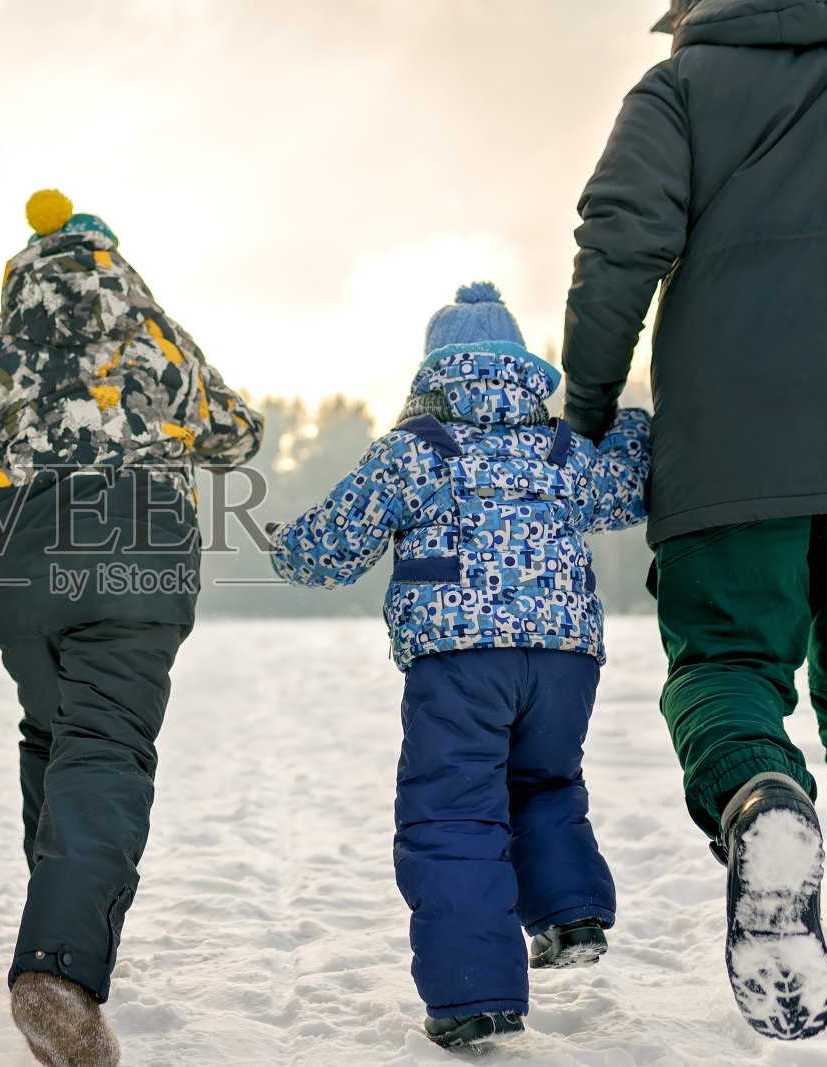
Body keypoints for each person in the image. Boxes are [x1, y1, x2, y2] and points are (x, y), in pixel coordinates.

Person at [564, 0, 827, 1039]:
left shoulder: (678, 88)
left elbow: (617, 247)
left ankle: (756, 789)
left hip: (728, 446)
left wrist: (586, 412)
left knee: (725, 658)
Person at [0, 189, 263, 1066]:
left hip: (19, 569)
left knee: (54, 735)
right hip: (134, 546)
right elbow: (230, 434)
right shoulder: (150, 336)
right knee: (105, 746)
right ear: (114, 262)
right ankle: (59, 971)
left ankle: (58, 931)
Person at [267, 283, 651, 1049]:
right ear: (518, 368)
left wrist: (285, 543)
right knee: (544, 780)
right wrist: (634, 429)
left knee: (453, 810)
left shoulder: (419, 452)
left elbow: (338, 540)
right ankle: (572, 913)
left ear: (433, 372)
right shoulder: (561, 449)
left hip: (460, 661)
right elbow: (625, 487)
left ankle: (476, 995)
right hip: (565, 661)